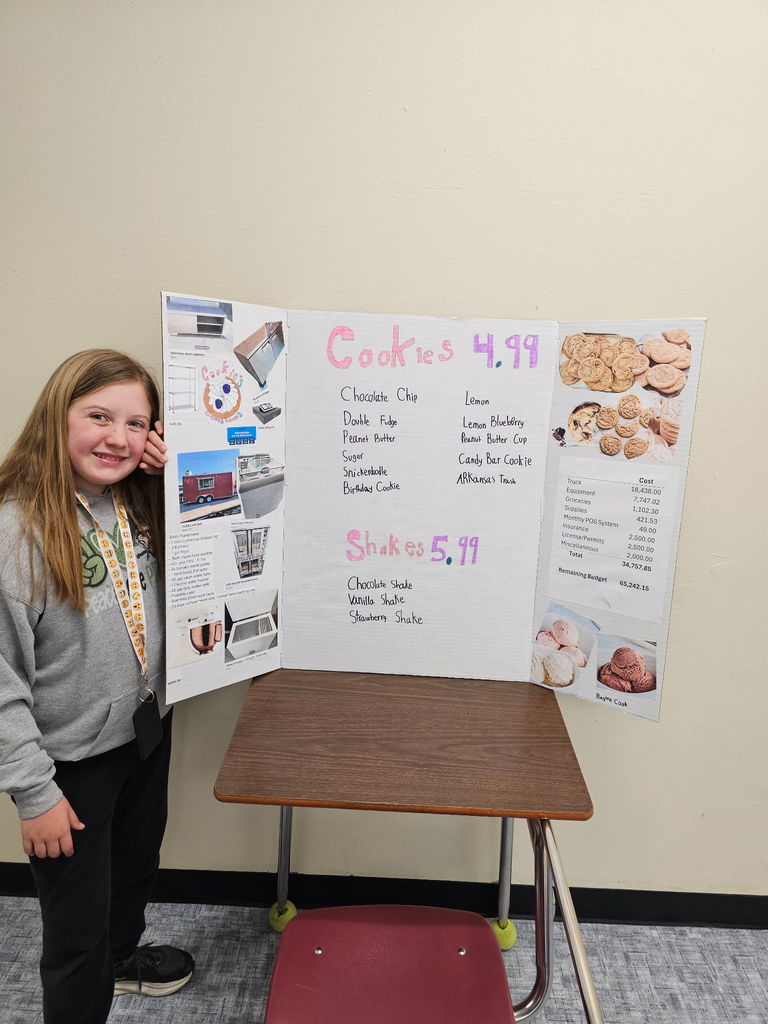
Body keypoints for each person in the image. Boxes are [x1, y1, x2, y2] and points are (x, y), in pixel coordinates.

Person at [0, 349, 191, 1024]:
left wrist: (175, 482)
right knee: (74, 931)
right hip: (69, 764)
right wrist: (33, 791)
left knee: (135, 869)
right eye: (100, 416)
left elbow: (202, 572)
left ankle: (121, 960)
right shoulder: (15, 529)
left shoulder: (133, 501)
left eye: (137, 424)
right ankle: (88, 988)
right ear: (58, 416)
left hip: (144, 731)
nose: (118, 437)